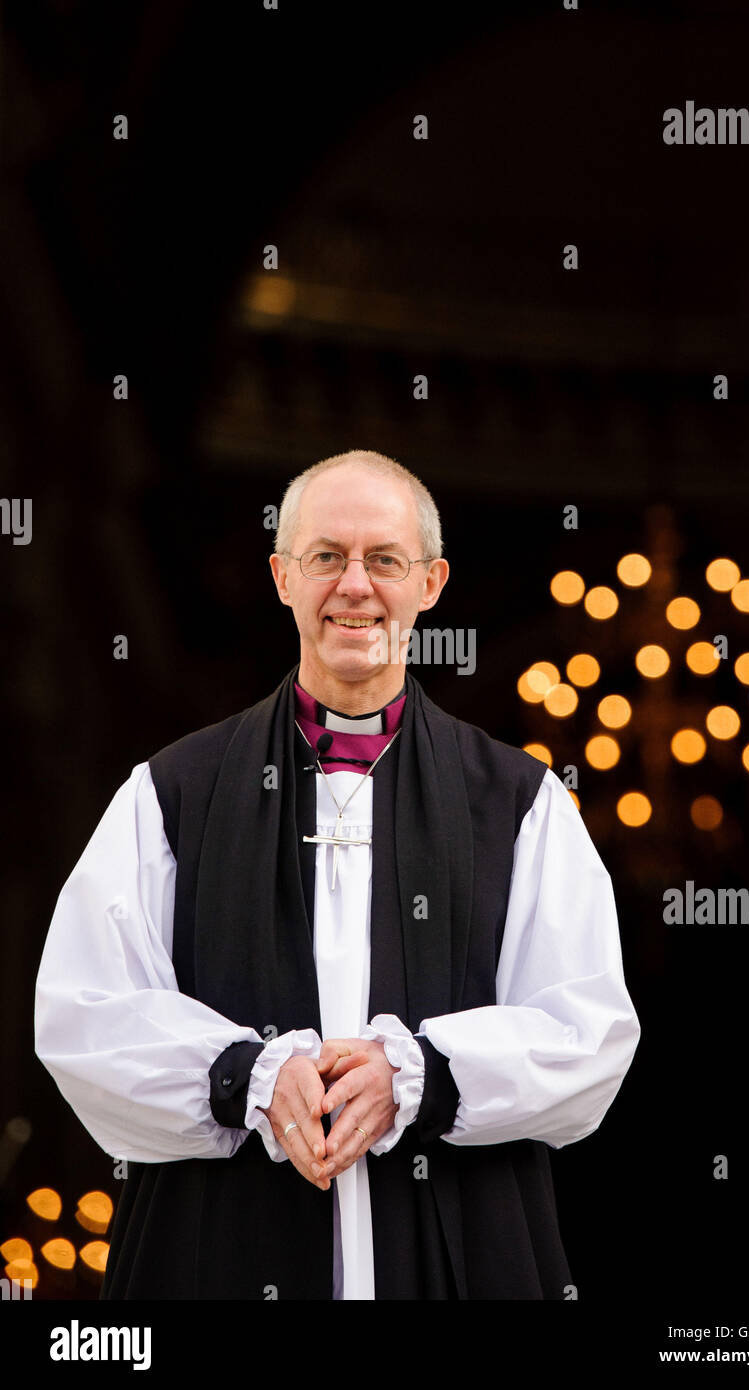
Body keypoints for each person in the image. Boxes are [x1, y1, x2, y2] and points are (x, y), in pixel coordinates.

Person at [34, 449, 640, 1300]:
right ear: (282, 576)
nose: (354, 586)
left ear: (431, 583)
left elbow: (591, 1038)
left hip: (458, 1245)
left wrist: (421, 1076)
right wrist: (243, 1077)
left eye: (384, 560)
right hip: (221, 1248)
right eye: (326, 557)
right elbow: (81, 1016)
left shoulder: (520, 804)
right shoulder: (171, 794)